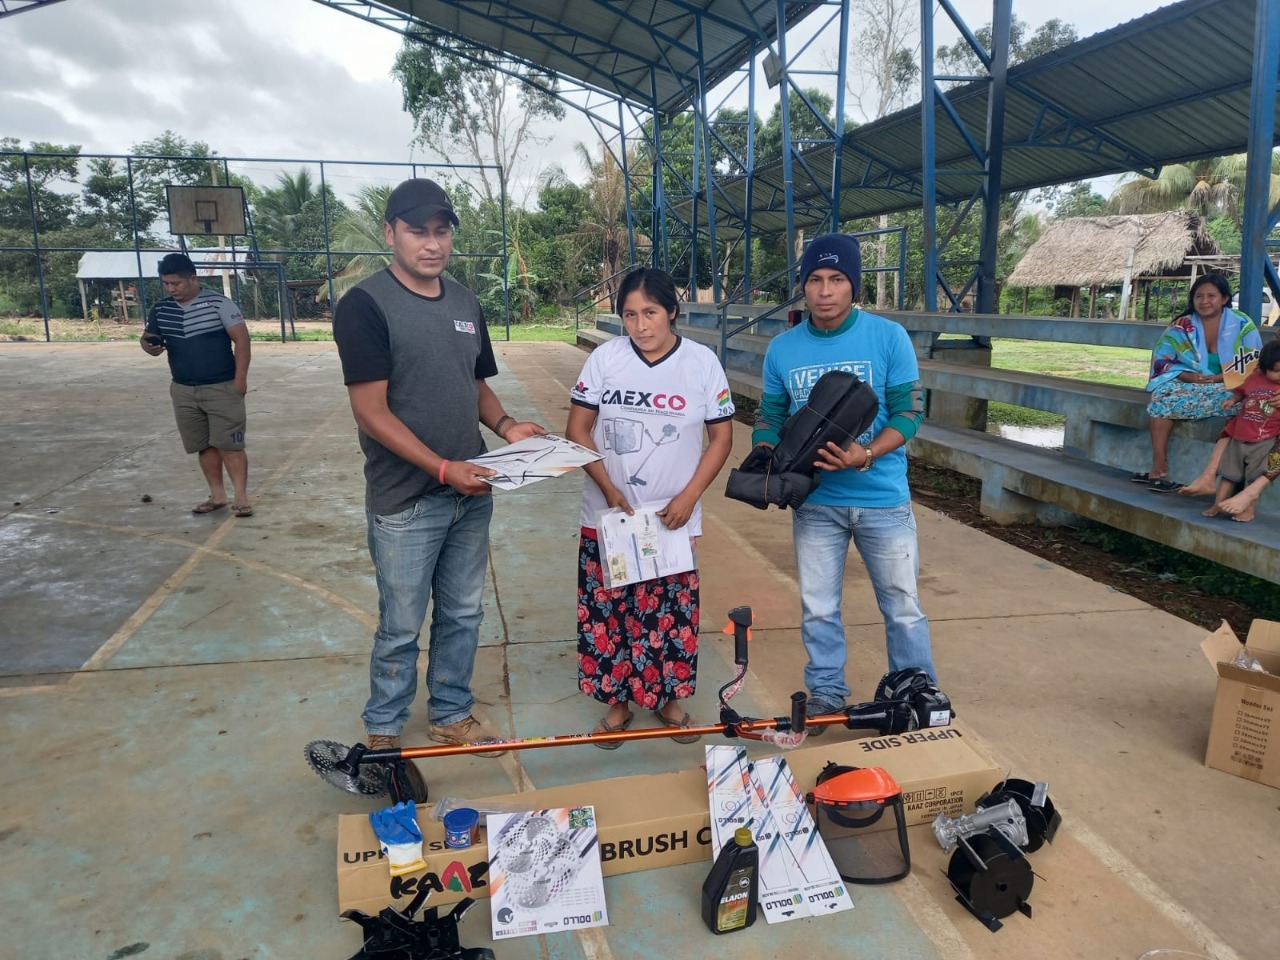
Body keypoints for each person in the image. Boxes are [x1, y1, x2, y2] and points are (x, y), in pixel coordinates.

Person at [333, 178, 545, 754]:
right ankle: (383, 731)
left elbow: (473, 383)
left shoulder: (464, 302)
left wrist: (506, 428)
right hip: (406, 498)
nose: (432, 244)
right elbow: (371, 411)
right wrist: (443, 468)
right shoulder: (365, 306)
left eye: (441, 232)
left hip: (470, 491)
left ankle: (451, 712)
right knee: (401, 624)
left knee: (463, 612)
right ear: (390, 233)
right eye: (417, 231)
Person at [751, 233, 936, 732]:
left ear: (853, 286)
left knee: (902, 607)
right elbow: (770, 414)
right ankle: (828, 694)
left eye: (836, 280)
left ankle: (917, 691)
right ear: (803, 286)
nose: (825, 290)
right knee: (818, 607)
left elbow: (909, 413)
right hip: (816, 504)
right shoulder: (782, 349)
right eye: (814, 279)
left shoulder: (888, 337)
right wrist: (768, 452)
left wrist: (866, 453)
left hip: (883, 500)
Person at [566, 267, 734, 747]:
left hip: (671, 521)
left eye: (651, 313)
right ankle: (617, 704)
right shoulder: (605, 360)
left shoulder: (701, 364)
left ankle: (666, 699)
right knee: (609, 611)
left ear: (673, 312)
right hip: (608, 518)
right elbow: (577, 431)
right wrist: (608, 487)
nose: (641, 326)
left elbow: (721, 438)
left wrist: (688, 498)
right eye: (630, 315)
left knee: (668, 613)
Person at [140, 252, 253, 517]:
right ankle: (218, 496)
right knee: (204, 445)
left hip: (222, 387)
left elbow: (243, 341)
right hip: (183, 390)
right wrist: (149, 347)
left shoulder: (219, 304)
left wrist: (240, 379)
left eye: (176, 283)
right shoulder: (161, 309)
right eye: (166, 284)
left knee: (231, 444)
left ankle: (241, 496)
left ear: (192, 278)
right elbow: (147, 339)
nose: (171, 289)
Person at [1135, 273, 1262, 492]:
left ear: (1224, 298)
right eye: (1198, 296)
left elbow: (1253, 363)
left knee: (1240, 402)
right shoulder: (1181, 325)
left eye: (1211, 296)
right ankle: (1158, 467)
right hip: (1190, 383)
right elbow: (1164, 361)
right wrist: (1189, 376)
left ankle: (1214, 477)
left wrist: (1218, 378)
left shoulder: (1242, 324)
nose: (1204, 301)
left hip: (1229, 384)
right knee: (1161, 396)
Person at [1201, 339, 1280, 522]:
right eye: (1276, 371)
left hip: (1265, 438)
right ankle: (1217, 504)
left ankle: (1248, 509)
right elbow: (1242, 391)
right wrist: (1233, 400)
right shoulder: (1255, 378)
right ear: (1263, 367)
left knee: (1255, 475)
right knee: (1228, 474)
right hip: (1241, 434)